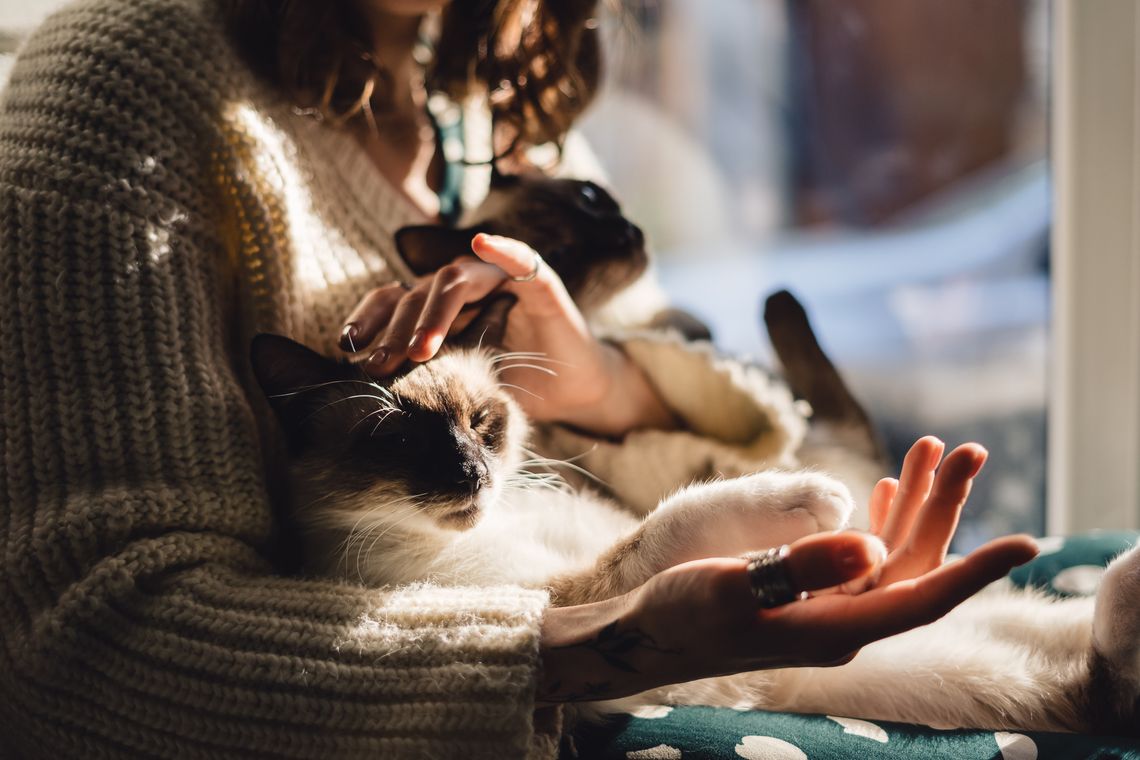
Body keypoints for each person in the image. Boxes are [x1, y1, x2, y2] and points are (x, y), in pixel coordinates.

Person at [0, 0, 1036, 757]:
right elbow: (79, 649)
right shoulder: (124, 87)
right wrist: (598, 642)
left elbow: (707, 412)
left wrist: (601, 387)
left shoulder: (487, 84)